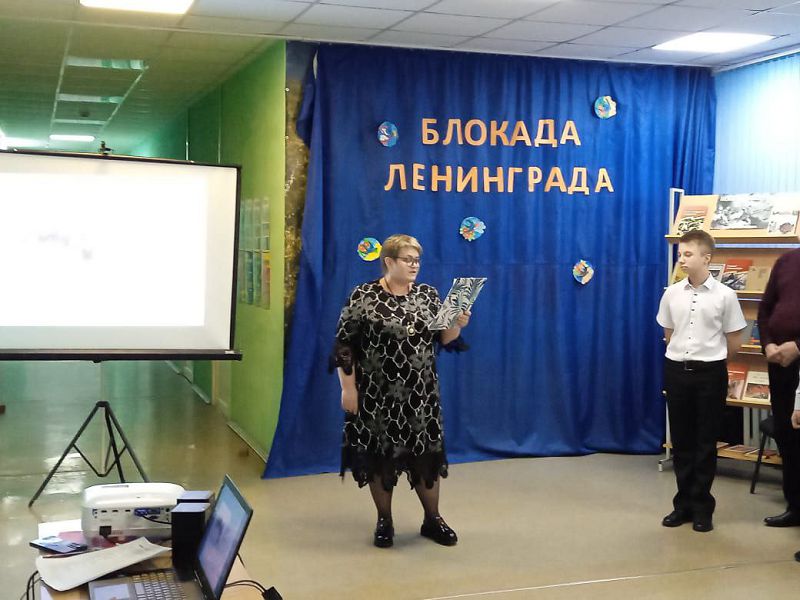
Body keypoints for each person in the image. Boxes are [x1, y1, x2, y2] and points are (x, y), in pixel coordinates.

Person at [332, 234, 470, 548]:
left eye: (417, 260)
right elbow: (344, 345)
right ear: (389, 261)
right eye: (408, 260)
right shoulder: (364, 295)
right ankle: (385, 520)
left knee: (426, 458)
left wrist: (458, 323)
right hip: (377, 396)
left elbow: (445, 339)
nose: (414, 265)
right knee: (380, 458)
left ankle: (432, 519)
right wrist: (348, 388)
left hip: (422, 396)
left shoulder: (428, 294)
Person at [657, 230, 746, 532]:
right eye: (680, 254)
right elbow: (669, 333)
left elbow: (734, 339)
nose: (681, 259)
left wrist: (712, 360)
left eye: (688, 254)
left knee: (705, 442)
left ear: (706, 258)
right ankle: (681, 505)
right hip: (677, 371)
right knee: (682, 440)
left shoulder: (725, 295)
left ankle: (702, 508)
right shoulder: (671, 293)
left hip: (710, 373)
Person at [758, 244, 800, 529]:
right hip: (780, 362)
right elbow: (765, 310)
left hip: (795, 353)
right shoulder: (785, 261)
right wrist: (767, 344)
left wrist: (798, 346)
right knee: (786, 433)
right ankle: (795, 506)